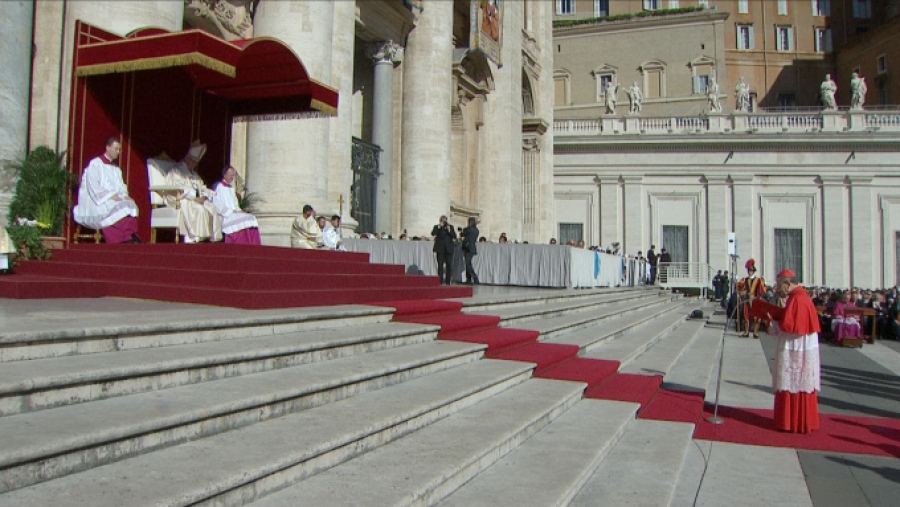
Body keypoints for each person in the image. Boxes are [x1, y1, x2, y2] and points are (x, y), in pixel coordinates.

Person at [766, 269, 821, 433]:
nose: (777, 289)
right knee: (797, 382)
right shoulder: (798, 297)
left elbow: (792, 328)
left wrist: (772, 324)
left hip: (796, 348)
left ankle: (790, 422)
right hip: (801, 346)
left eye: (778, 285)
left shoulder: (797, 299)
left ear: (787, 283)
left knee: (794, 382)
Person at [73, 138, 142, 244]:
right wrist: (109, 196)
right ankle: (123, 237)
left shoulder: (116, 169)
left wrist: (125, 195)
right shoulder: (95, 164)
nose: (118, 152)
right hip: (98, 200)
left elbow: (121, 186)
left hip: (114, 198)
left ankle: (130, 235)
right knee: (112, 206)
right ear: (108, 148)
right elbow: (93, 186)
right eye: (116, 149)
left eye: (119, 150)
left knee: (130, 204)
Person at [164, 141, 221, 243]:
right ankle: (193, 236)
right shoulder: (176, 171)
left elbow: (201, 187)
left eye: (195, 162)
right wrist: (194, 198)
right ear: (186, 159)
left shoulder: (194, 174)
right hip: (179, 198)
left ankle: (210, 237)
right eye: (192, 161)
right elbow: (177, 188)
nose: (194, 164)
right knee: (199, 209)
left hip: (193, 198)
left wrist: (207, 195)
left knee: (211, 207)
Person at [211, 165, 261, 245]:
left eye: (233, 175)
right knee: (243, 219)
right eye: (230, 175)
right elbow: (216, 204)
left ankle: (252, 244)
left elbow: (235, 203)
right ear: (225, 175)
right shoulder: (218, 187)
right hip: (227, 215)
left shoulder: (231, 188)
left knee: (251, 217)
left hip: (235, 212)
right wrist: (231, 211)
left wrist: (239, 210)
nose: (232, 177)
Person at [739, 258, 766, 338]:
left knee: (756, 317)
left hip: (755, 300)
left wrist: (758, 297)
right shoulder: (745, 279)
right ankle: (746, 332)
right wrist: (740, 290)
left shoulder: (758, 280)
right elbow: (740, 287)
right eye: (749, 271)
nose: (749, 272)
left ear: (753, 271)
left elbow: (762, 290)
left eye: (751, 271)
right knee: (746, 316)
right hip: (747, 300)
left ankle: (755, 332)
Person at [431, 215, 456, 285]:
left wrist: (449, 229)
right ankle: (440, 281)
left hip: (448, 249)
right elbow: (433, 233)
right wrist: (439, 227)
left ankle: (448, 281)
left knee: (449, 265)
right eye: (442, 220)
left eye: (445, 220)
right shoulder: (437, 227)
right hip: (440, 249)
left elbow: (454, 236)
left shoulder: (450, 227)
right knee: (440, 265)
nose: (444, 222)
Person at [461, 217, 480, 285]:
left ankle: (475, 277)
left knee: (468, 264)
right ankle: (468, 279)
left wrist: (462, 230)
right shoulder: (476, 230)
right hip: (472, 248)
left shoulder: (469, 229)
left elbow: (462, 234)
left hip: (468, 247)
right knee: (467, 263)